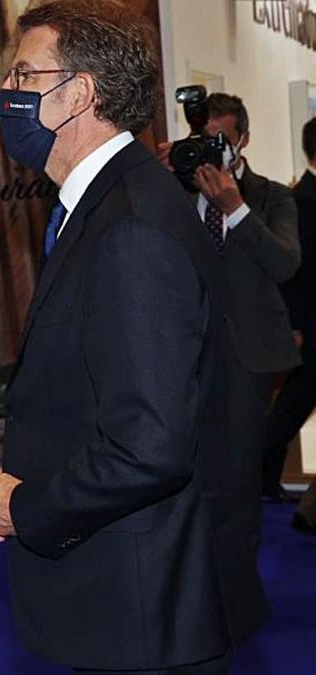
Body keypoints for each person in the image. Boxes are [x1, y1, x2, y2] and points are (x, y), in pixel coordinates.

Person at [0, 1, 266, 673]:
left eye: (22, 75)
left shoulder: (129, 225)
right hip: (130, 590)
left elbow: (149, 443)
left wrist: (26, 505)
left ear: (79, 93)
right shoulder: (110, 203)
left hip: (147, 603)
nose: (5, 94)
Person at [163, 93, 301, 516]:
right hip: (186, 354)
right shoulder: (174, 195)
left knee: (239, 478)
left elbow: (285, 263)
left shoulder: (271, 196)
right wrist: (155, 176)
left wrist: (235, 210)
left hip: (249, 353)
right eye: (205, 139)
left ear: (243, 140)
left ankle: (239, 576)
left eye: (221, 139)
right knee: (190, 472)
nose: (212, 149)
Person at [268, 116, 316, 534]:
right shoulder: (300, 199)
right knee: (289, 408)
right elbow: (297, 270)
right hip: (311, 322)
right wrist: (296, 325)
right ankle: (265, 479)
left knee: (291, 406)